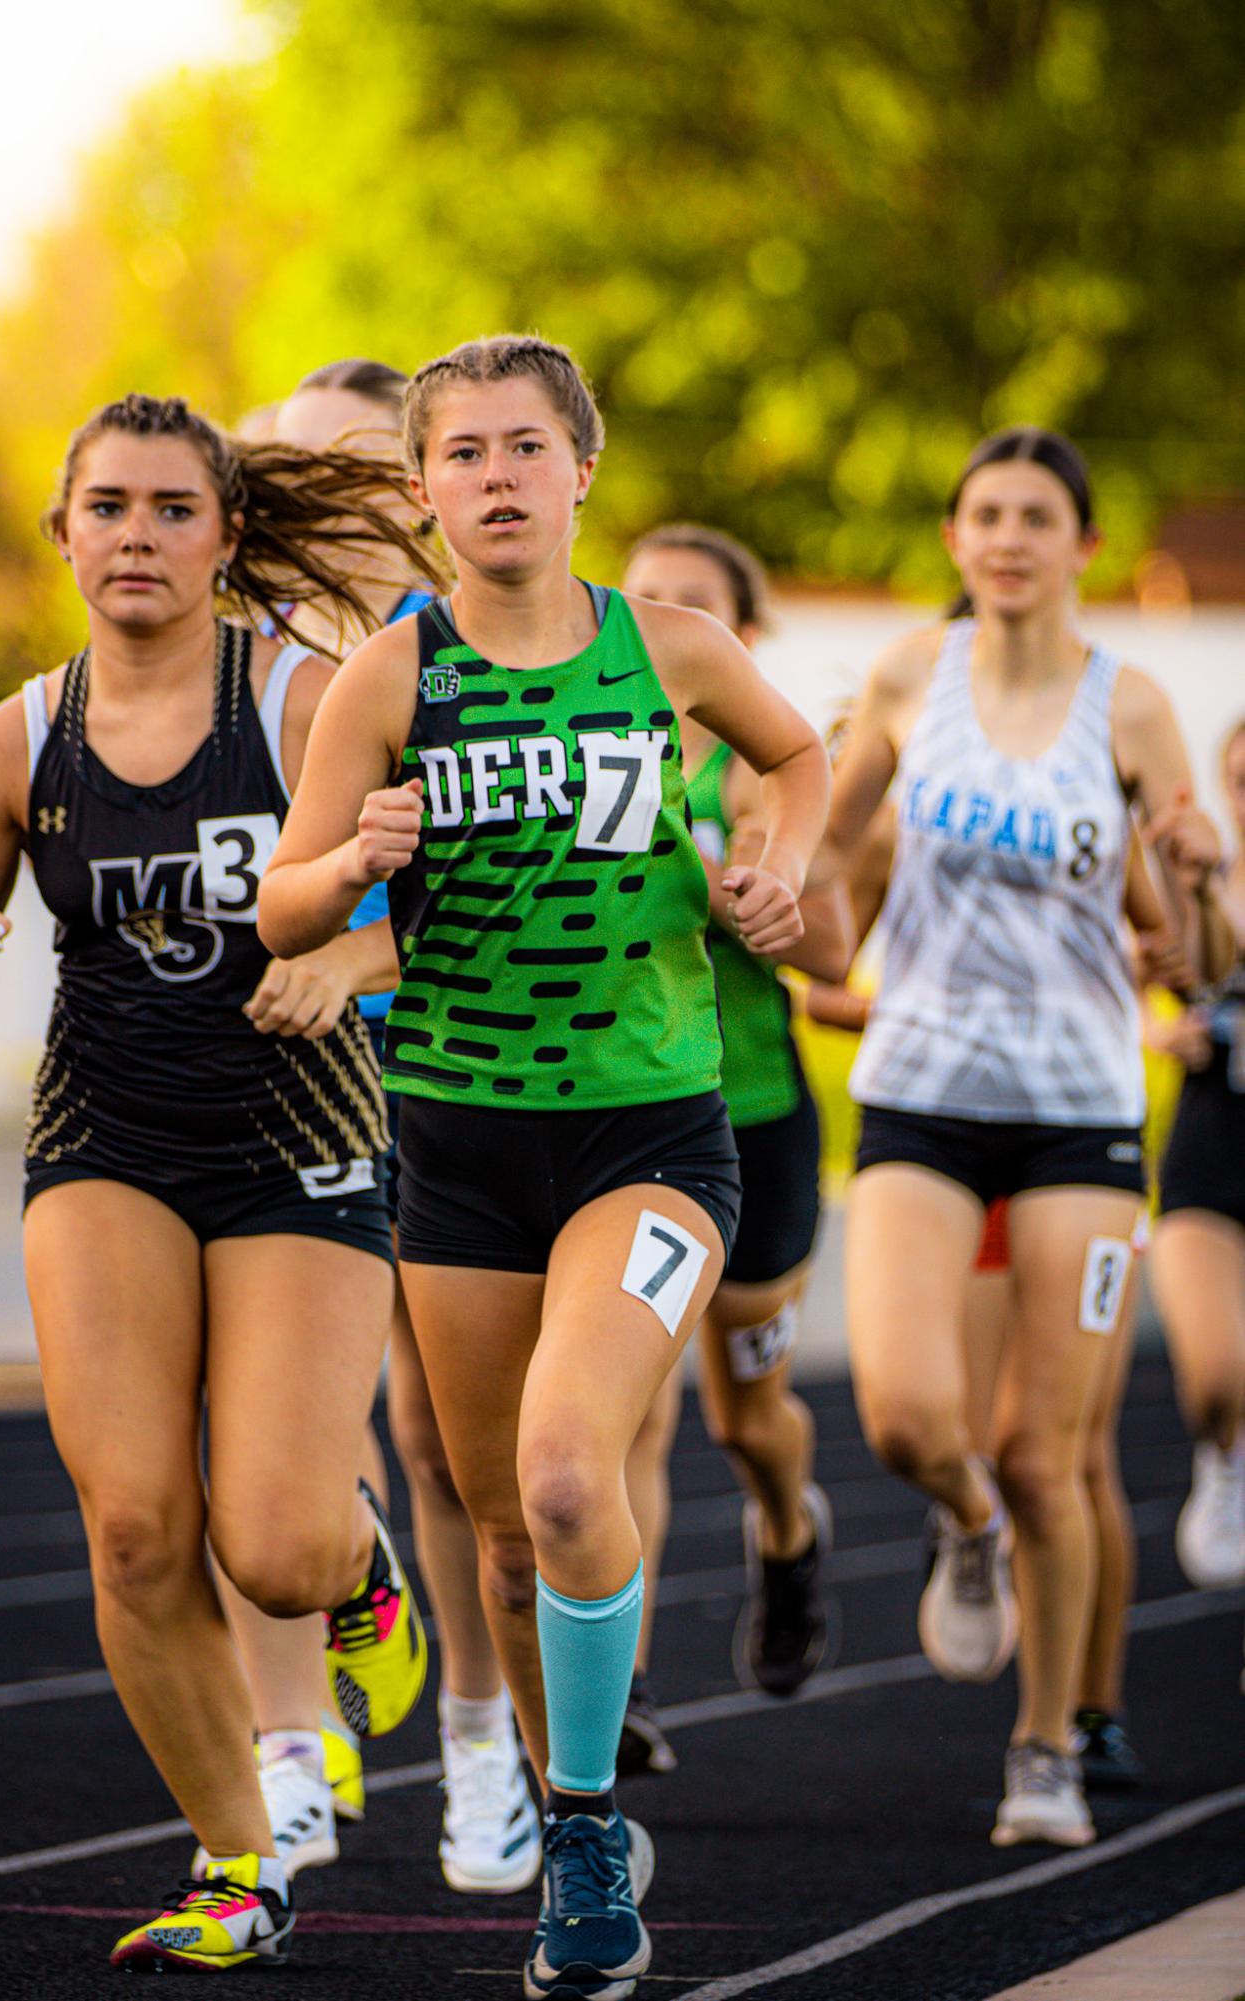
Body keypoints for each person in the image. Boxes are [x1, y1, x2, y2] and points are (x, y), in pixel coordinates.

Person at [259, 334, 830, 2001]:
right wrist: (350, 862)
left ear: (580, 470)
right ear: (423, 488)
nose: (495, 476)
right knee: (504, 1533)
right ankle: (536, 1768)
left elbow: (795, 759)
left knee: (575, 1475)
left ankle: (580, 1827)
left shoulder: (666, 647)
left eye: (525, 447)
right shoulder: (388, 676)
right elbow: (284, 910)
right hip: (454, 1151)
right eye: (462, 453)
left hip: (648, 1134)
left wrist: (767, 873)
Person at [0, 392, 439, 1972]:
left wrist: (343, 957)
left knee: (271, 1541)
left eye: (170, 508)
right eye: (107, 507)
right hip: (106, 1141)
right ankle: (238, 1860)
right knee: (137, 1529)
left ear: (224, 538)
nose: (135, 534)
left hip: (301, 1135)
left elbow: (459, 911)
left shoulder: (299, 704)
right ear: (64, 532)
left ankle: (360, 1574)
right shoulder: (13, 740)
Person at [809, 425, 1219, 1849]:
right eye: (984, 513)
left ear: (1081, 545)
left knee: (1048, 1449)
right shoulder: (909, 678)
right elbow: (826, 839)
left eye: (1036, 516)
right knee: (909, 1418)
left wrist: (1201, 885)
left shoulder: (1135, 707)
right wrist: (770, 895)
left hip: (1079, 1114)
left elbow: (1200, 945)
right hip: (918, 1088)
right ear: (952, 535)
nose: (1007, 538)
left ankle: (1042, 1748)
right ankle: (965, 1528)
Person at [218, 356, 540, 1894]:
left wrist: (359, 950)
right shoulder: (229, 663)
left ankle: (479, 1741)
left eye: (340, 475)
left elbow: (520, 900)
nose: (308, 509)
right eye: (283, 477)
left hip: (445, 1079)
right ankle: (289, 1756)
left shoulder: (457, 662)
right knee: (261, 1436)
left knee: (434, 1434)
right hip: (263, 1087)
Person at [615, 524, 852, 1776]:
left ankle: (784, 1531)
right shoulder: (582, 741)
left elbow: (830, 953)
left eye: (688, 604)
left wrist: (750, 888)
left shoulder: (763, 772)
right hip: (630, 1124)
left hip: (752, 1124)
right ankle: (630, 1684)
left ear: (737, 636)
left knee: (743, 1414)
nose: (657, 620)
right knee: (632, 1415)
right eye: (639, 596)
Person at [1150, 720, 1245, 1599]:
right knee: (1216, 1374)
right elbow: (1123, 973)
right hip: (1212, 1142)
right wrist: (1160, 1027)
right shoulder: (1197, 879)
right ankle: (1226, 1453)